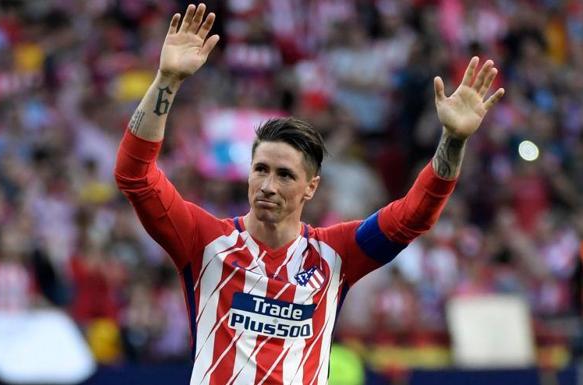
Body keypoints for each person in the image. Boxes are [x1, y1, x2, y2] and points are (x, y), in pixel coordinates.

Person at [114, 3, 505, 385]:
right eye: (260, 170)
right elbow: (135, 176)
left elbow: (413, 217)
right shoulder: (206, 242)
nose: (268, 185)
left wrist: (453, 141)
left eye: (285, 175)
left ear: (311, 188)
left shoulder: (334, 254)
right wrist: (166, 80)